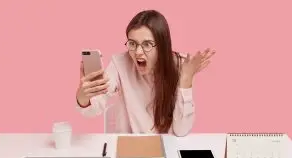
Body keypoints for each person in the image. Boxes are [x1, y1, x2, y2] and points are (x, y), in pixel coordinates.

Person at [76, 10, 215, 136]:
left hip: (168, 149)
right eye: (132, 43)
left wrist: (186, 79)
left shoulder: (182, 65)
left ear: (162, 46)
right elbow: (93, 109)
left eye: (147, 44)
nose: (137, 52)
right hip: (130, 148)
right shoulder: (119, 63)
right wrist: (83, 96)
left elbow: (182, 130)